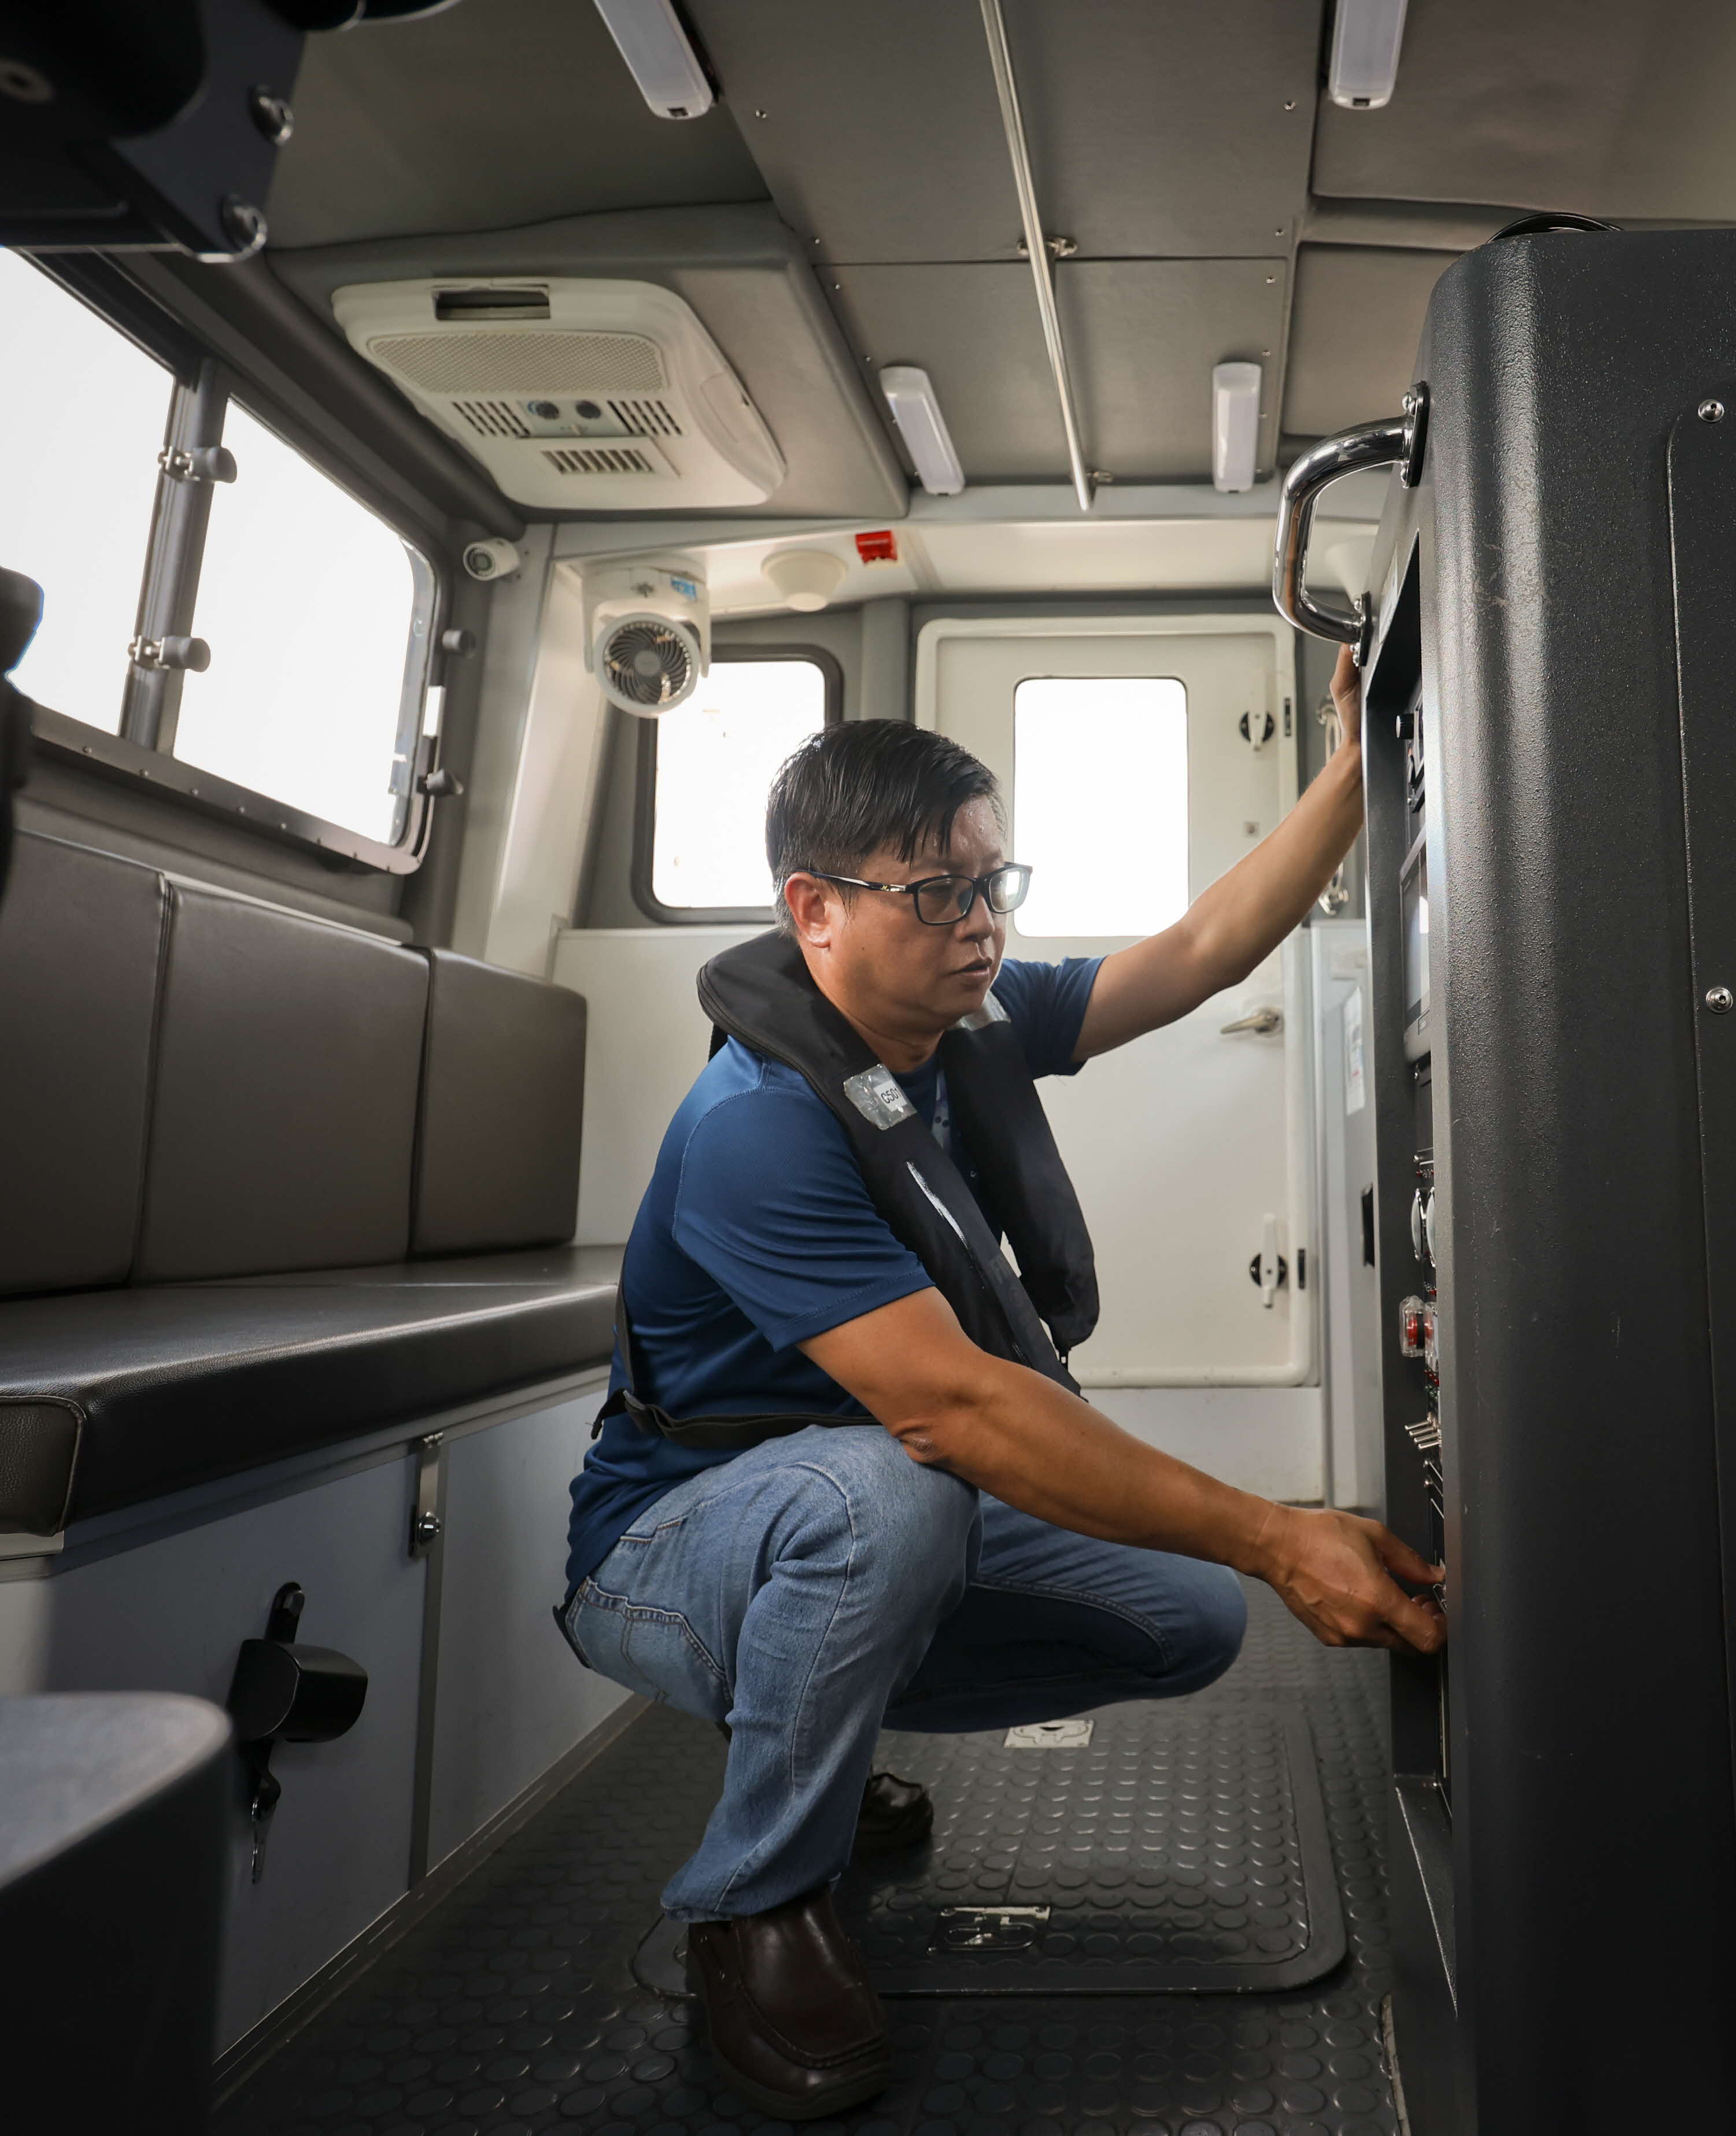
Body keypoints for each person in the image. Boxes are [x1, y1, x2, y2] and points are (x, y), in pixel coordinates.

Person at [560, 646, 1444, 2121]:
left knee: (1186, 1613)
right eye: (936, 892)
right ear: (813, 909)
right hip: (663, 1549)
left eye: (992, 882)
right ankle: (756, 1898)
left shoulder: (956, 1026)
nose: (978, 924)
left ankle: (818, 1746)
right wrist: (1280, 1525)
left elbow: (1201, 950)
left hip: (867, 1501)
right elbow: (954, 1411)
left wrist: (1352, 770)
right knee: (896, 1486)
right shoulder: (757, 1124)